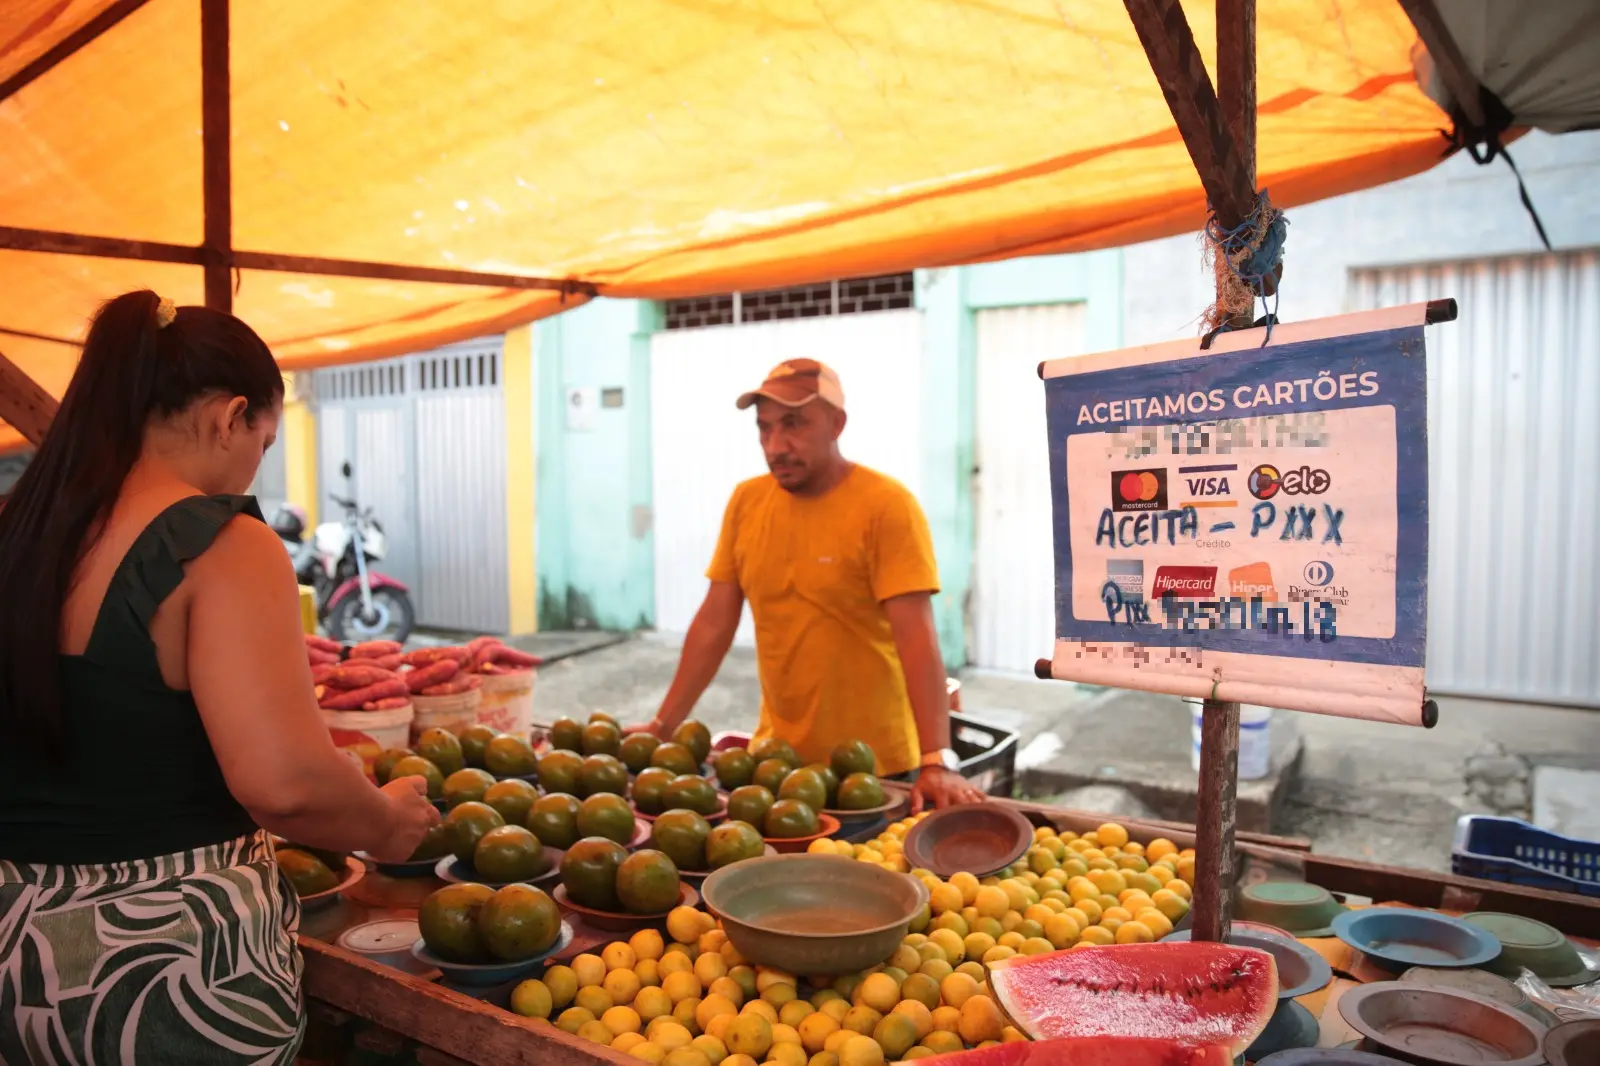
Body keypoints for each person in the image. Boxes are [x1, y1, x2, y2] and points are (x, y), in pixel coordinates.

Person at [0, 291, 439, 1065]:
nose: (253, 463)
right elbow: (285, 786)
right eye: (263, 441)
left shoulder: (21, 530)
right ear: (231, 417)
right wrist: (382, 821)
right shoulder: (220, 543)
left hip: (19, 953)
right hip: (160, 970)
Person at [631, 359, 984, 811]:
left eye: (793, 424)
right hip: (777, 762)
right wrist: (662, 726)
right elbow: (713, 624)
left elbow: (917, 641)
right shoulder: (747, 501)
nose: (776, 445)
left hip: (875, 768)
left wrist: (937, 759)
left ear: (837, 424)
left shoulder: (885, 506)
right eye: (765, 429)